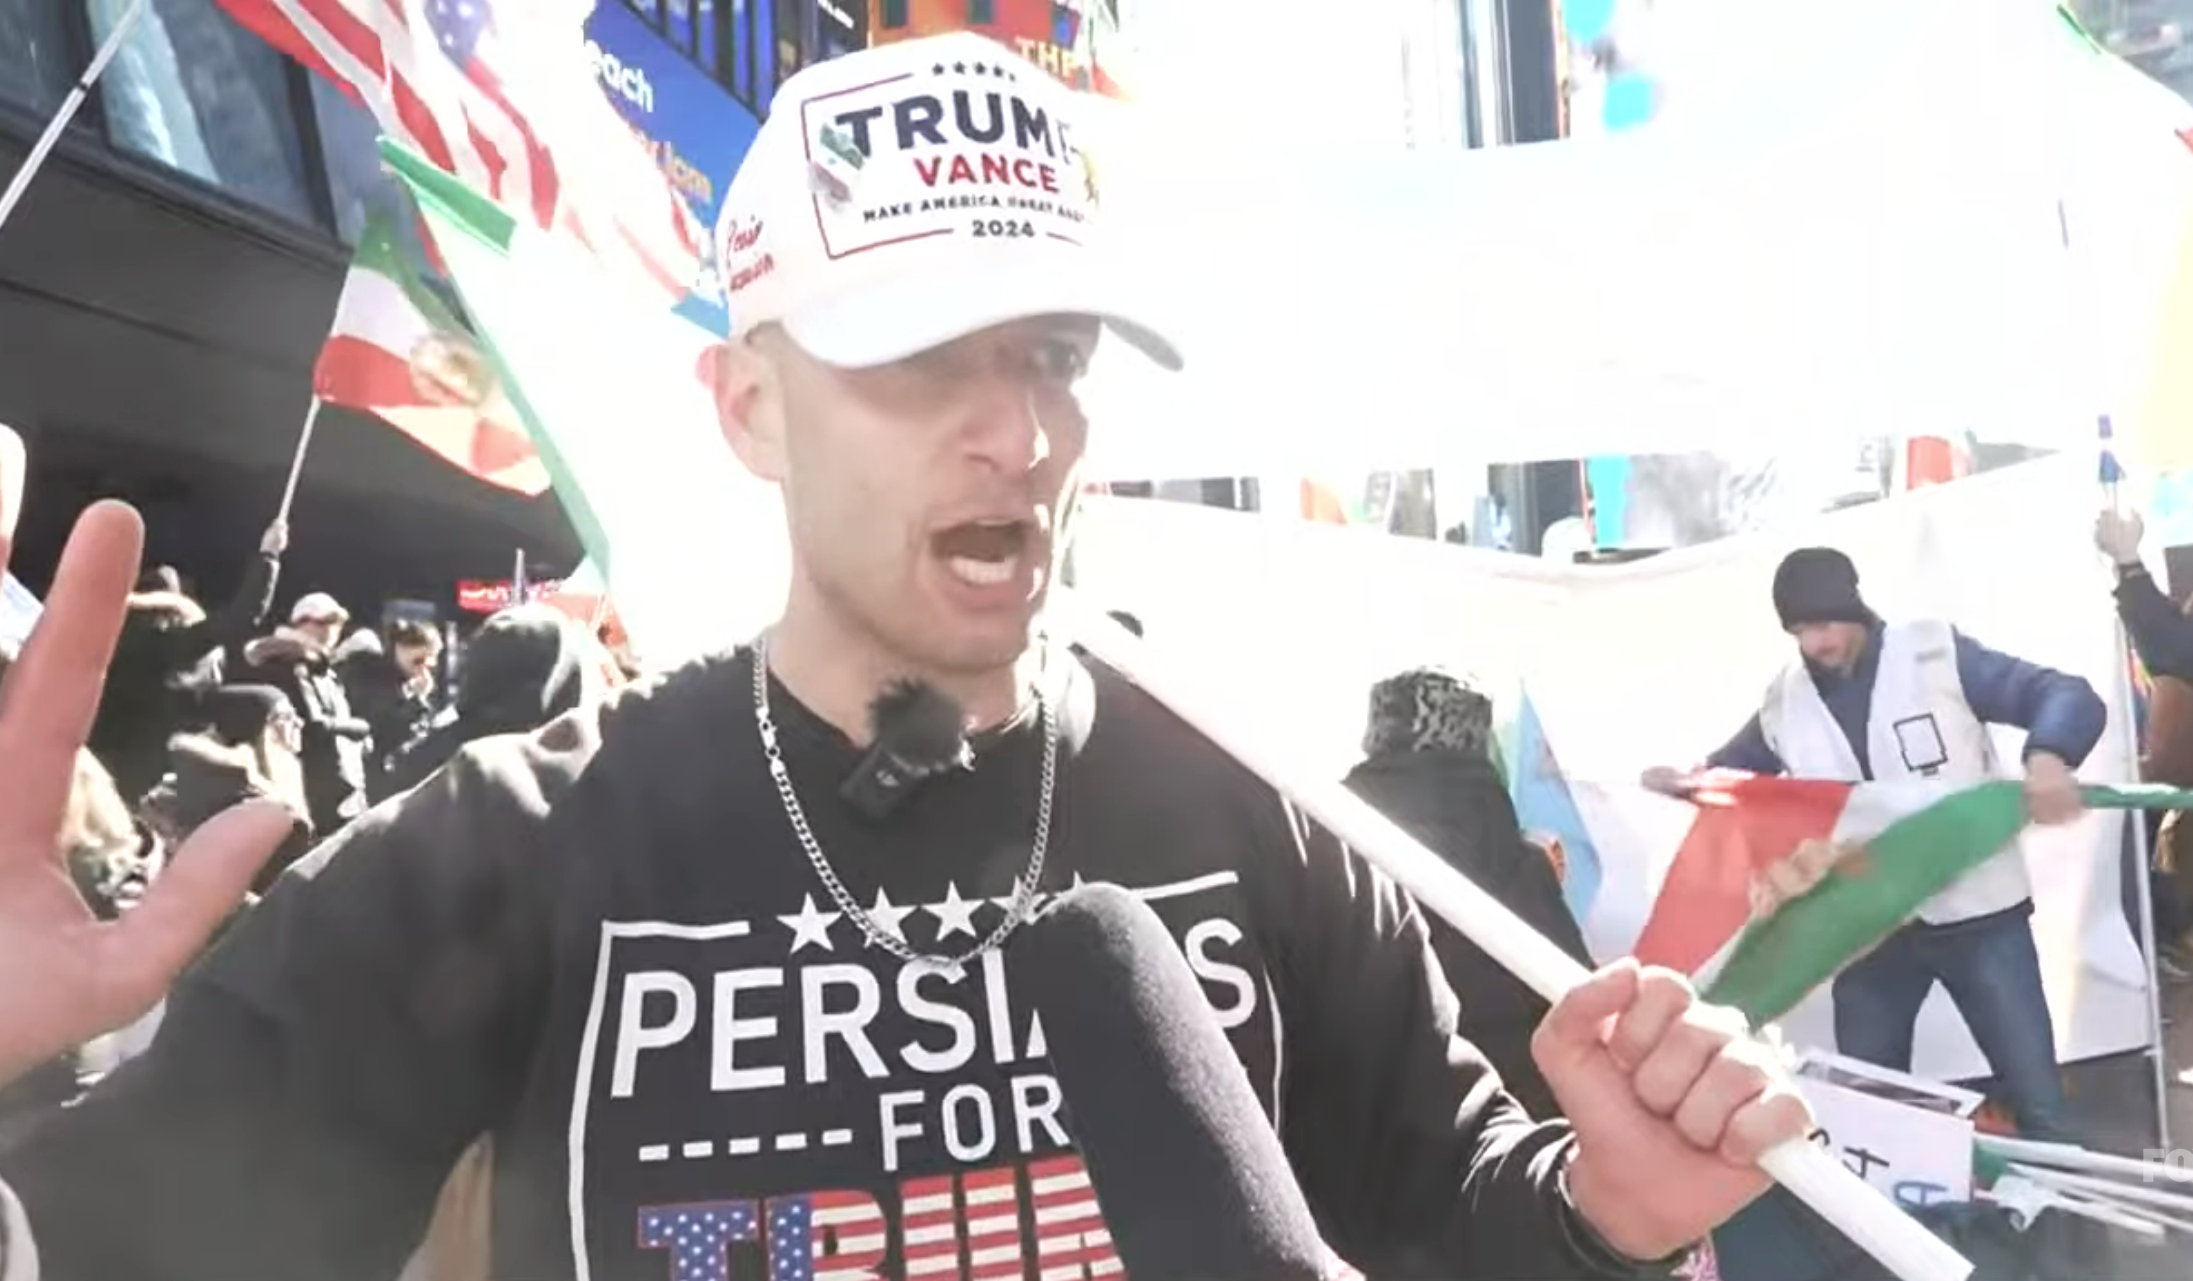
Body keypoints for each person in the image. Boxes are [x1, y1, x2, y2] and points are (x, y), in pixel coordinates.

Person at [0, 37, 1811, 1281]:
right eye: (921, 360)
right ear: (748, 408)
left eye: (1051, 356)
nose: (1018, 434)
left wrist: (1604, 1216)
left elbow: (1458, 1218)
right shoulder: (515, 845)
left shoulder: (1256, 813)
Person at [1653, 546, 2104, 1141]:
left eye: (1826, 623)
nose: (1817, 642)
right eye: (1801, 629)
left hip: (1978, 913)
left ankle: (2063, 1196)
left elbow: (2065, 694)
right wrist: (1690, 778)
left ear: (1855, 608)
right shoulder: (1786, 699)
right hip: (1867, 928)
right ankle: (1886, 1201)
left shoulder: (1934, 655)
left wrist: (2049, 757)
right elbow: (1734, 773)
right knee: (1869, 1104)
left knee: (2035, 1094)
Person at [1342, 667, 1593, 1119]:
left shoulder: (1321, 832)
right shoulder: (1514, 859)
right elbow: (1575, 998)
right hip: (1494, 1115)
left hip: (1353, 1106)